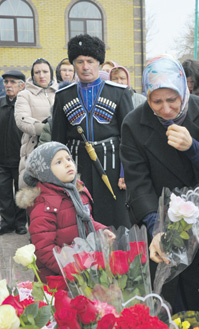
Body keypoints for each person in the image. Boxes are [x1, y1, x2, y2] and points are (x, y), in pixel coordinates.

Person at [120, 55, 199, 313]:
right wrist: (158, 227)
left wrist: (194, 148)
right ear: (146, 95)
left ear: (184, 91)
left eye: (172, 100)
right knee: (166, 299)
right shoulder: (134, 123)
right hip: (159, 221)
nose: (165, 109)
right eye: (156, 101)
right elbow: (137, 180)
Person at [52, 34, 133, 229]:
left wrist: (125, 172)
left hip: (113, 167)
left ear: (99, 63)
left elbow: (129, 138)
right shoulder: (64, 96)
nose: (85, 66)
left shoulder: (119, 93)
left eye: (90, 61)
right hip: (77, 166)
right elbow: (57, 141)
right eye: (79, 61)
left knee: (115, 221)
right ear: (73, 64)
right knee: (79, 218)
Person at [15, 142, 111, 282]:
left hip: (82, 270)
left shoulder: (78, 193)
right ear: (45, 172)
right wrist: (70, 268)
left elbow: (86, 221)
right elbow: (44, 248)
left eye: (68, 159)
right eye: (58, 162)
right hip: (58, 280)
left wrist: (101, 231)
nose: (67, 164)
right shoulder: (44, 205)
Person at [15, 58, 58, 189]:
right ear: (33, 75)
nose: (41, 75)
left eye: (45, 71)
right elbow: (22, 120)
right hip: (33, 147)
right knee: (34, 193)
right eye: (37, 72)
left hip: (59, 146)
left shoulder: (60, 93)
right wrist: (46, 128)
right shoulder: (24, 95)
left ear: (51, 73)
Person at [0, 70, 27, 235]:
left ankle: (20, 223)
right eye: (6, 82)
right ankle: (7, 222)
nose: (8, 85)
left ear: (21, 85)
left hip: (20, 159)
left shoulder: (25, 105)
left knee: (20, 192)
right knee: (3, 193)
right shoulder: (0, 104)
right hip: (2, 160)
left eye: (12, 82)